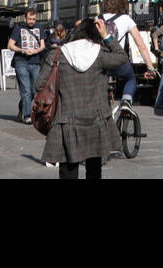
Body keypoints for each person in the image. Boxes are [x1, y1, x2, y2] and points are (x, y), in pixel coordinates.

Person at [35, 16, 127, 179]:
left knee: (68, 169)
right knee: (94, 168)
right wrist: (107, 36)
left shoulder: (57, 55)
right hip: (96, 119)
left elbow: (39, 85)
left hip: (66, 120)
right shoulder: (99, 54)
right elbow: (121, 57)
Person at [100, 0, 156, 104]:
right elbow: (141, 46)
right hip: (118, 60)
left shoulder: (97, 19)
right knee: (131, 79)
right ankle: (126, 101)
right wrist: (150, 68)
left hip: (100, 60)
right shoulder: (126, 19)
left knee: (101, 81)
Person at [8, 8, 46, 123]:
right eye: (30, 19)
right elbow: (10, 45)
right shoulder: (18, 28)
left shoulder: (39, 28)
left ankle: (22, 108)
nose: (32, 21)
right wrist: (23, 51)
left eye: (33, 19)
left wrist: (36, 51)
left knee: (35, 90)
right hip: (21, 62)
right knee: (26, 90)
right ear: (25, 18)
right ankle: (27, 115)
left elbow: (43, 45)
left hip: (35, 61)